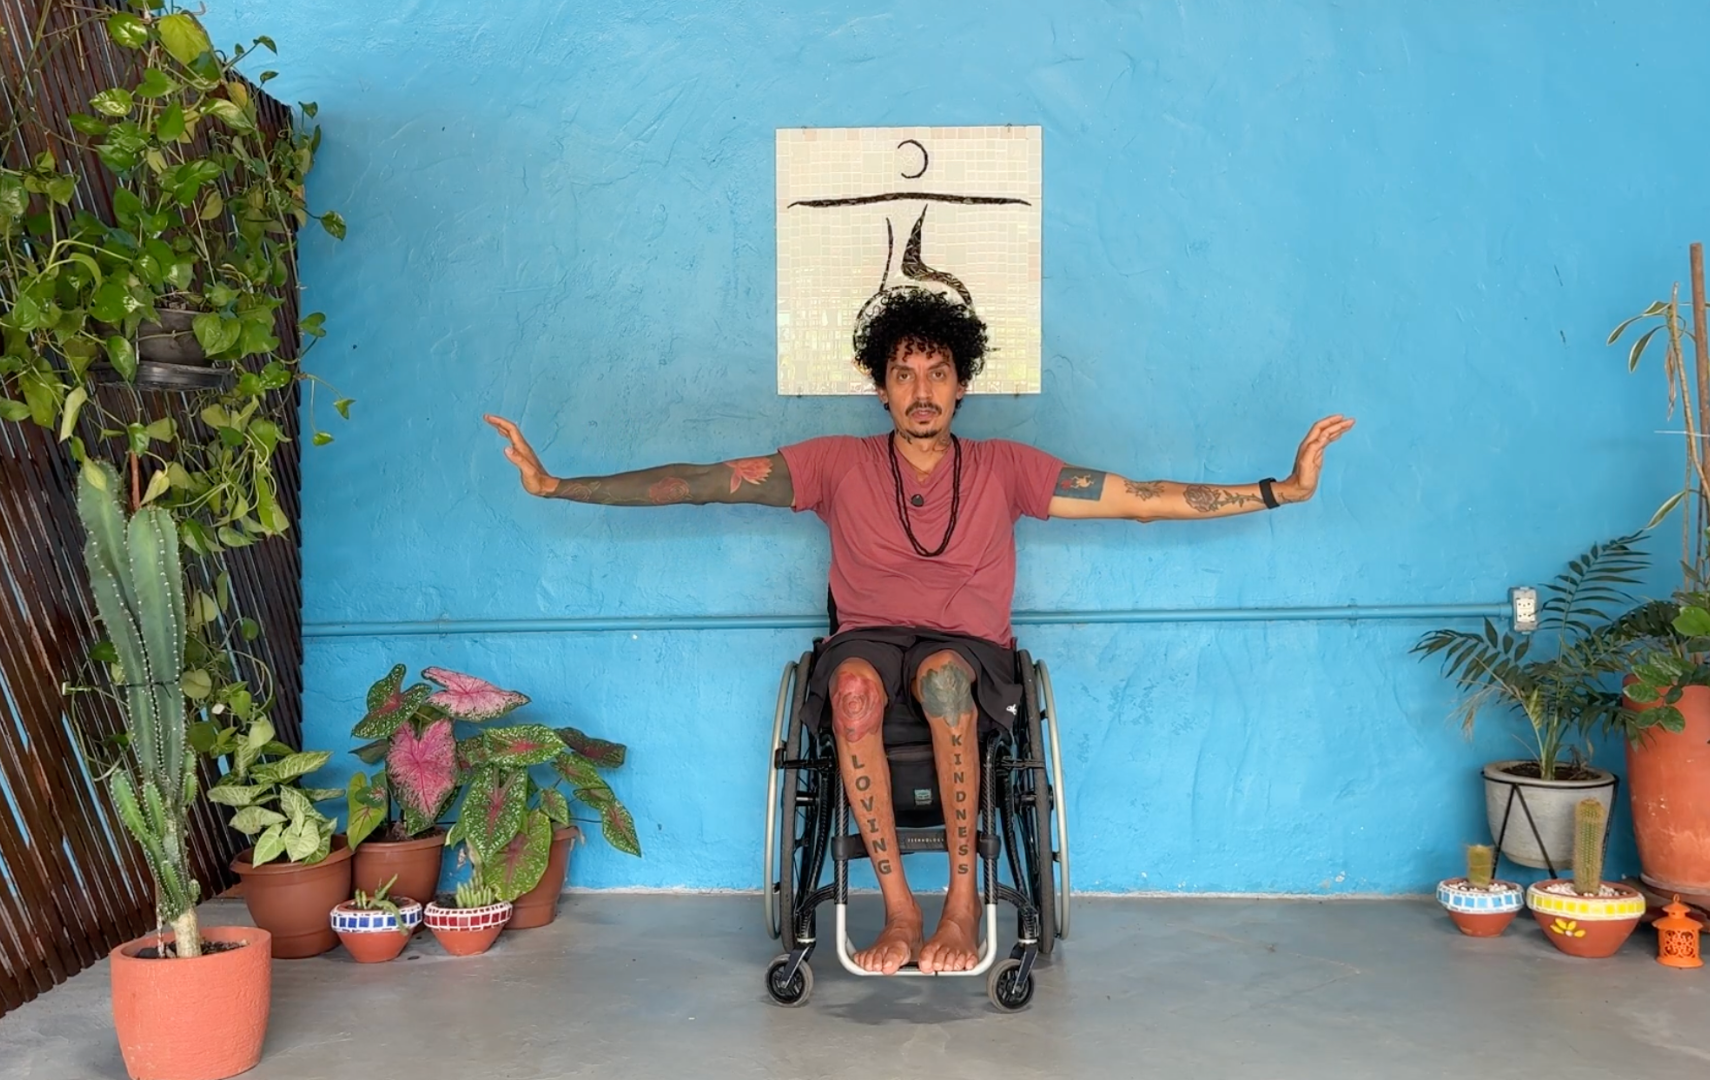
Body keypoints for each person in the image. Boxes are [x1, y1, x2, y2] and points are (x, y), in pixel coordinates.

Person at [486, 286, 1353, 975]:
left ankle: (963, 902)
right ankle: (899, 909)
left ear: (962, 383)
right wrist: (560, 486)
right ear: (881, 387)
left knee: (943, 674)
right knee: (854, 688)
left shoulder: (1009, 469)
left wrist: (1280, 489)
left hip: (968, 657)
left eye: (938, 373)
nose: (922, 390)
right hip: (865, 643)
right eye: (904, 374)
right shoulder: (835, 463)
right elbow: (709, 480)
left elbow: (1141, 499)